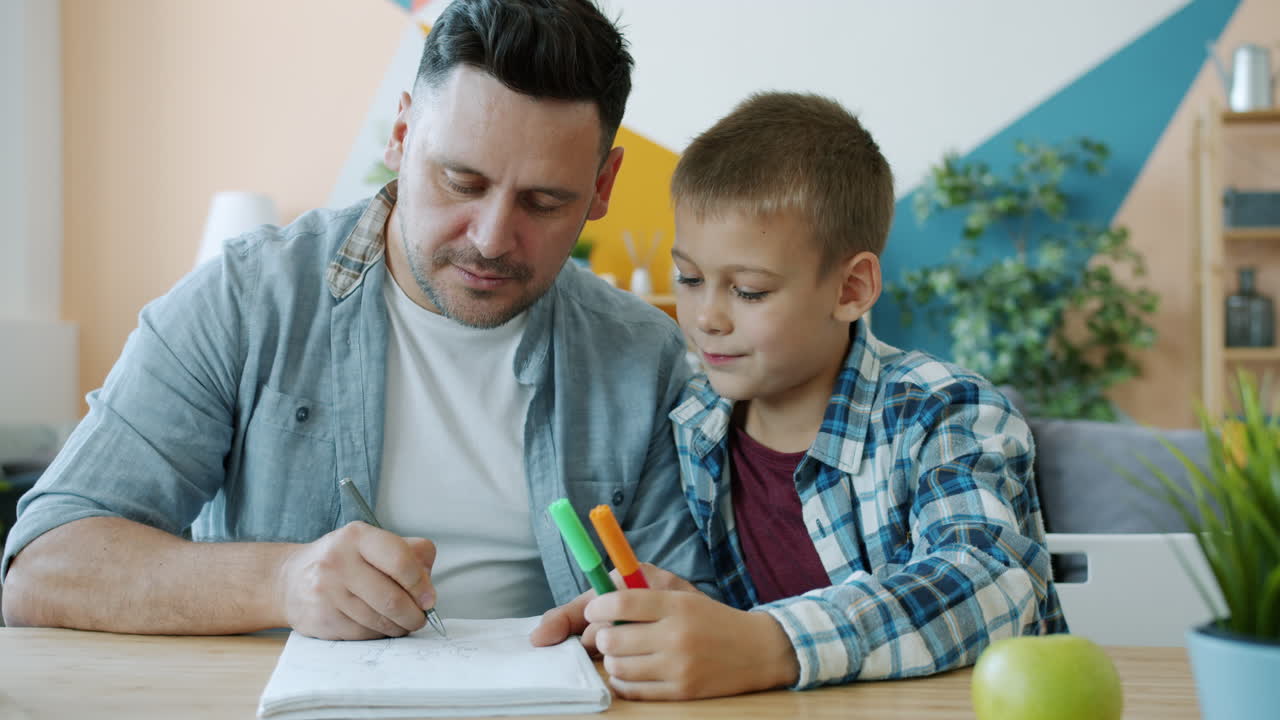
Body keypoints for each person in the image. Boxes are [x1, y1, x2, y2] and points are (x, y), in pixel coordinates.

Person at [1, 0, 715, 638]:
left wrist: (673, 623)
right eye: (461, 181)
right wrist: (280, 582)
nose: (493, 237)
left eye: (544, 202)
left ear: (602, 186)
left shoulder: (645, 357)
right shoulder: (247, 301)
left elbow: (691, 607)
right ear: (402, 135)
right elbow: (43, 564)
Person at [531, 92, 1067, 699]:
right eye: (689, 278)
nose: (706, 316)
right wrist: (690, 618)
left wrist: (768, 642)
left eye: (750, 291)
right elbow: (738, 641)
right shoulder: (695, 426)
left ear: (851, 287)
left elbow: (987, 581)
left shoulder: (946, 412)